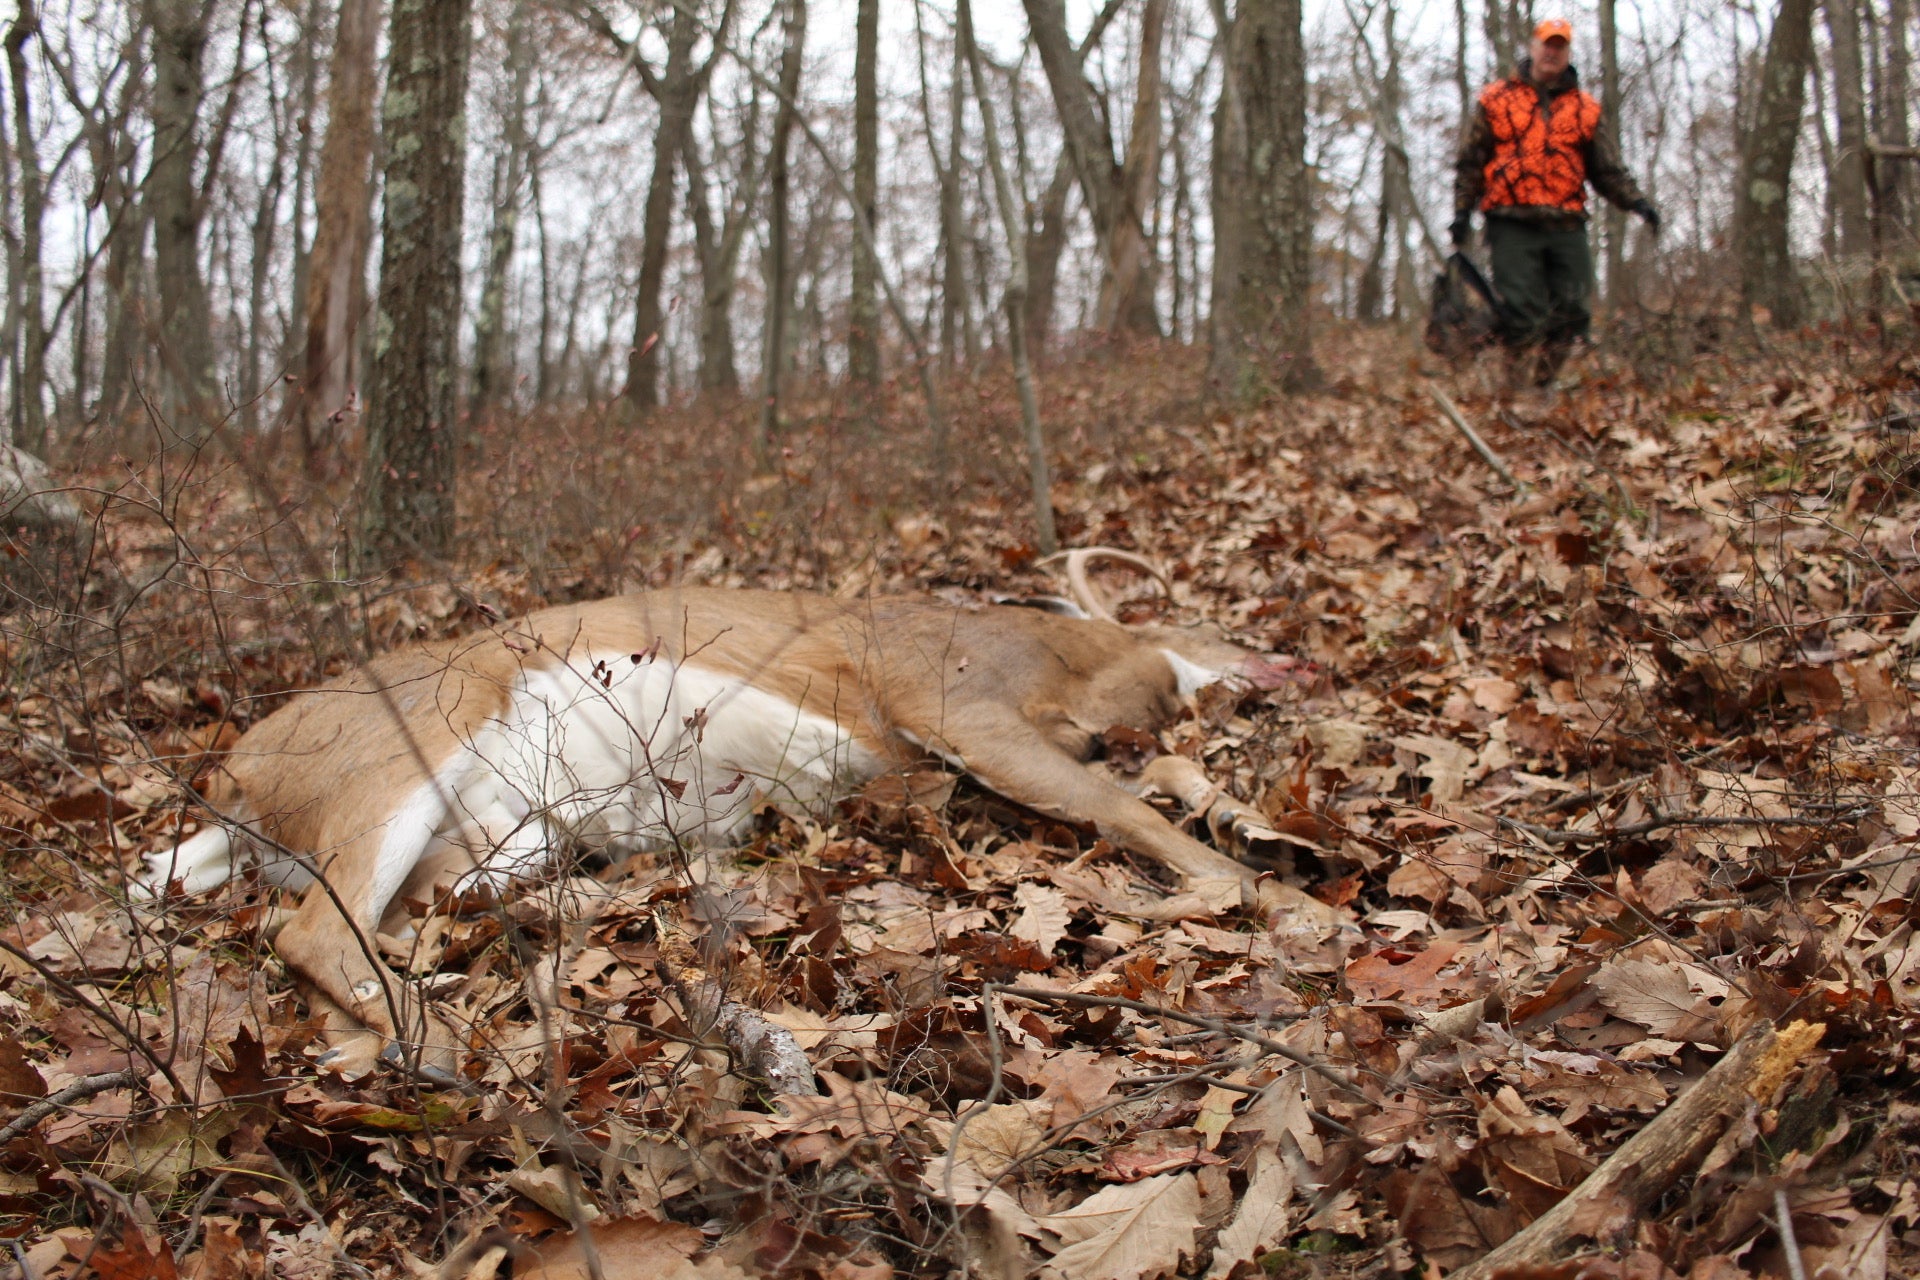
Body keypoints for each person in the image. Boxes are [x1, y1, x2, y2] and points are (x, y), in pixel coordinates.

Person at [1451, 18, 1659, 386]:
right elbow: (1471, 161)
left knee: (1574, 311)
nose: (1552, 52)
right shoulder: (1496, 99)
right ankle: (1513, 389)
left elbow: (1606, 169)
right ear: (1533, 47)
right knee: (1521, 312)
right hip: (1511, 220)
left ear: (1568, 53)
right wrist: (1462, 211)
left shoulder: (1584, 108)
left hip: (1566, 221)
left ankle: (1543, 387)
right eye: (1547, 44)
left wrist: (1637, 203)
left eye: (1560, 46)